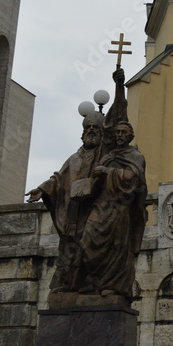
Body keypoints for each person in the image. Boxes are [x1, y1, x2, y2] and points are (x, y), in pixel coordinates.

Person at [26, 111, 105, 293]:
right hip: (73, 214)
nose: (91, 130)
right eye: (88, 127)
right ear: (83, 132)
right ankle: (65, 287)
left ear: (102, 132)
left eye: (95, 127)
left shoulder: (106, 156)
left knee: (92, 250)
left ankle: (91, 286)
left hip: (94, 212)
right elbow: (58, 179)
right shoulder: (74, 159)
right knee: (69, 253)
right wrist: (42, 189)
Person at [79, 121, 148, 297]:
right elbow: (94, 179)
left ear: (130, 135)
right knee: (87, 241)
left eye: (124, 132)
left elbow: (134, 179)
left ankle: (112, 285)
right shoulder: (108, 156)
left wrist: (107, 172)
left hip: (120, 206)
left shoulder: (136, 156)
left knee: (117, 247)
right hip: (101, 205)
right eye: (117, 132)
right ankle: (93, 282)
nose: (120, 135)